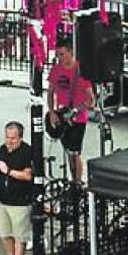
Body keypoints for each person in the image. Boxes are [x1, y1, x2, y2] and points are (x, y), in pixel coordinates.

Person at [0, 121, 33, 255]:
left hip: (20, 199)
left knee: (19, 235)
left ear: (20, 138)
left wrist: (8, 170)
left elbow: (27, 175)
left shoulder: (27, 151)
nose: (10, 141)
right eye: (8, 137)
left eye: (13, 138)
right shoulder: (3, 148)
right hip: (3, 198)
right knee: (5, 233)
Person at [46, 39, 92, 181]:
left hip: (78, 119)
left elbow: (91, 99)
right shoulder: (56, 70)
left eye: (63, 54)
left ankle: (77, 183)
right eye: (58, 55)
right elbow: (50, 93)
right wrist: (52, 112)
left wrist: (80, 109)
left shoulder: (81, 71)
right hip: (62, 116)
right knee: (68, 152)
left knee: (75, 152)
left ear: (71, 52)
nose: (60, 58)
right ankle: (73, 180)